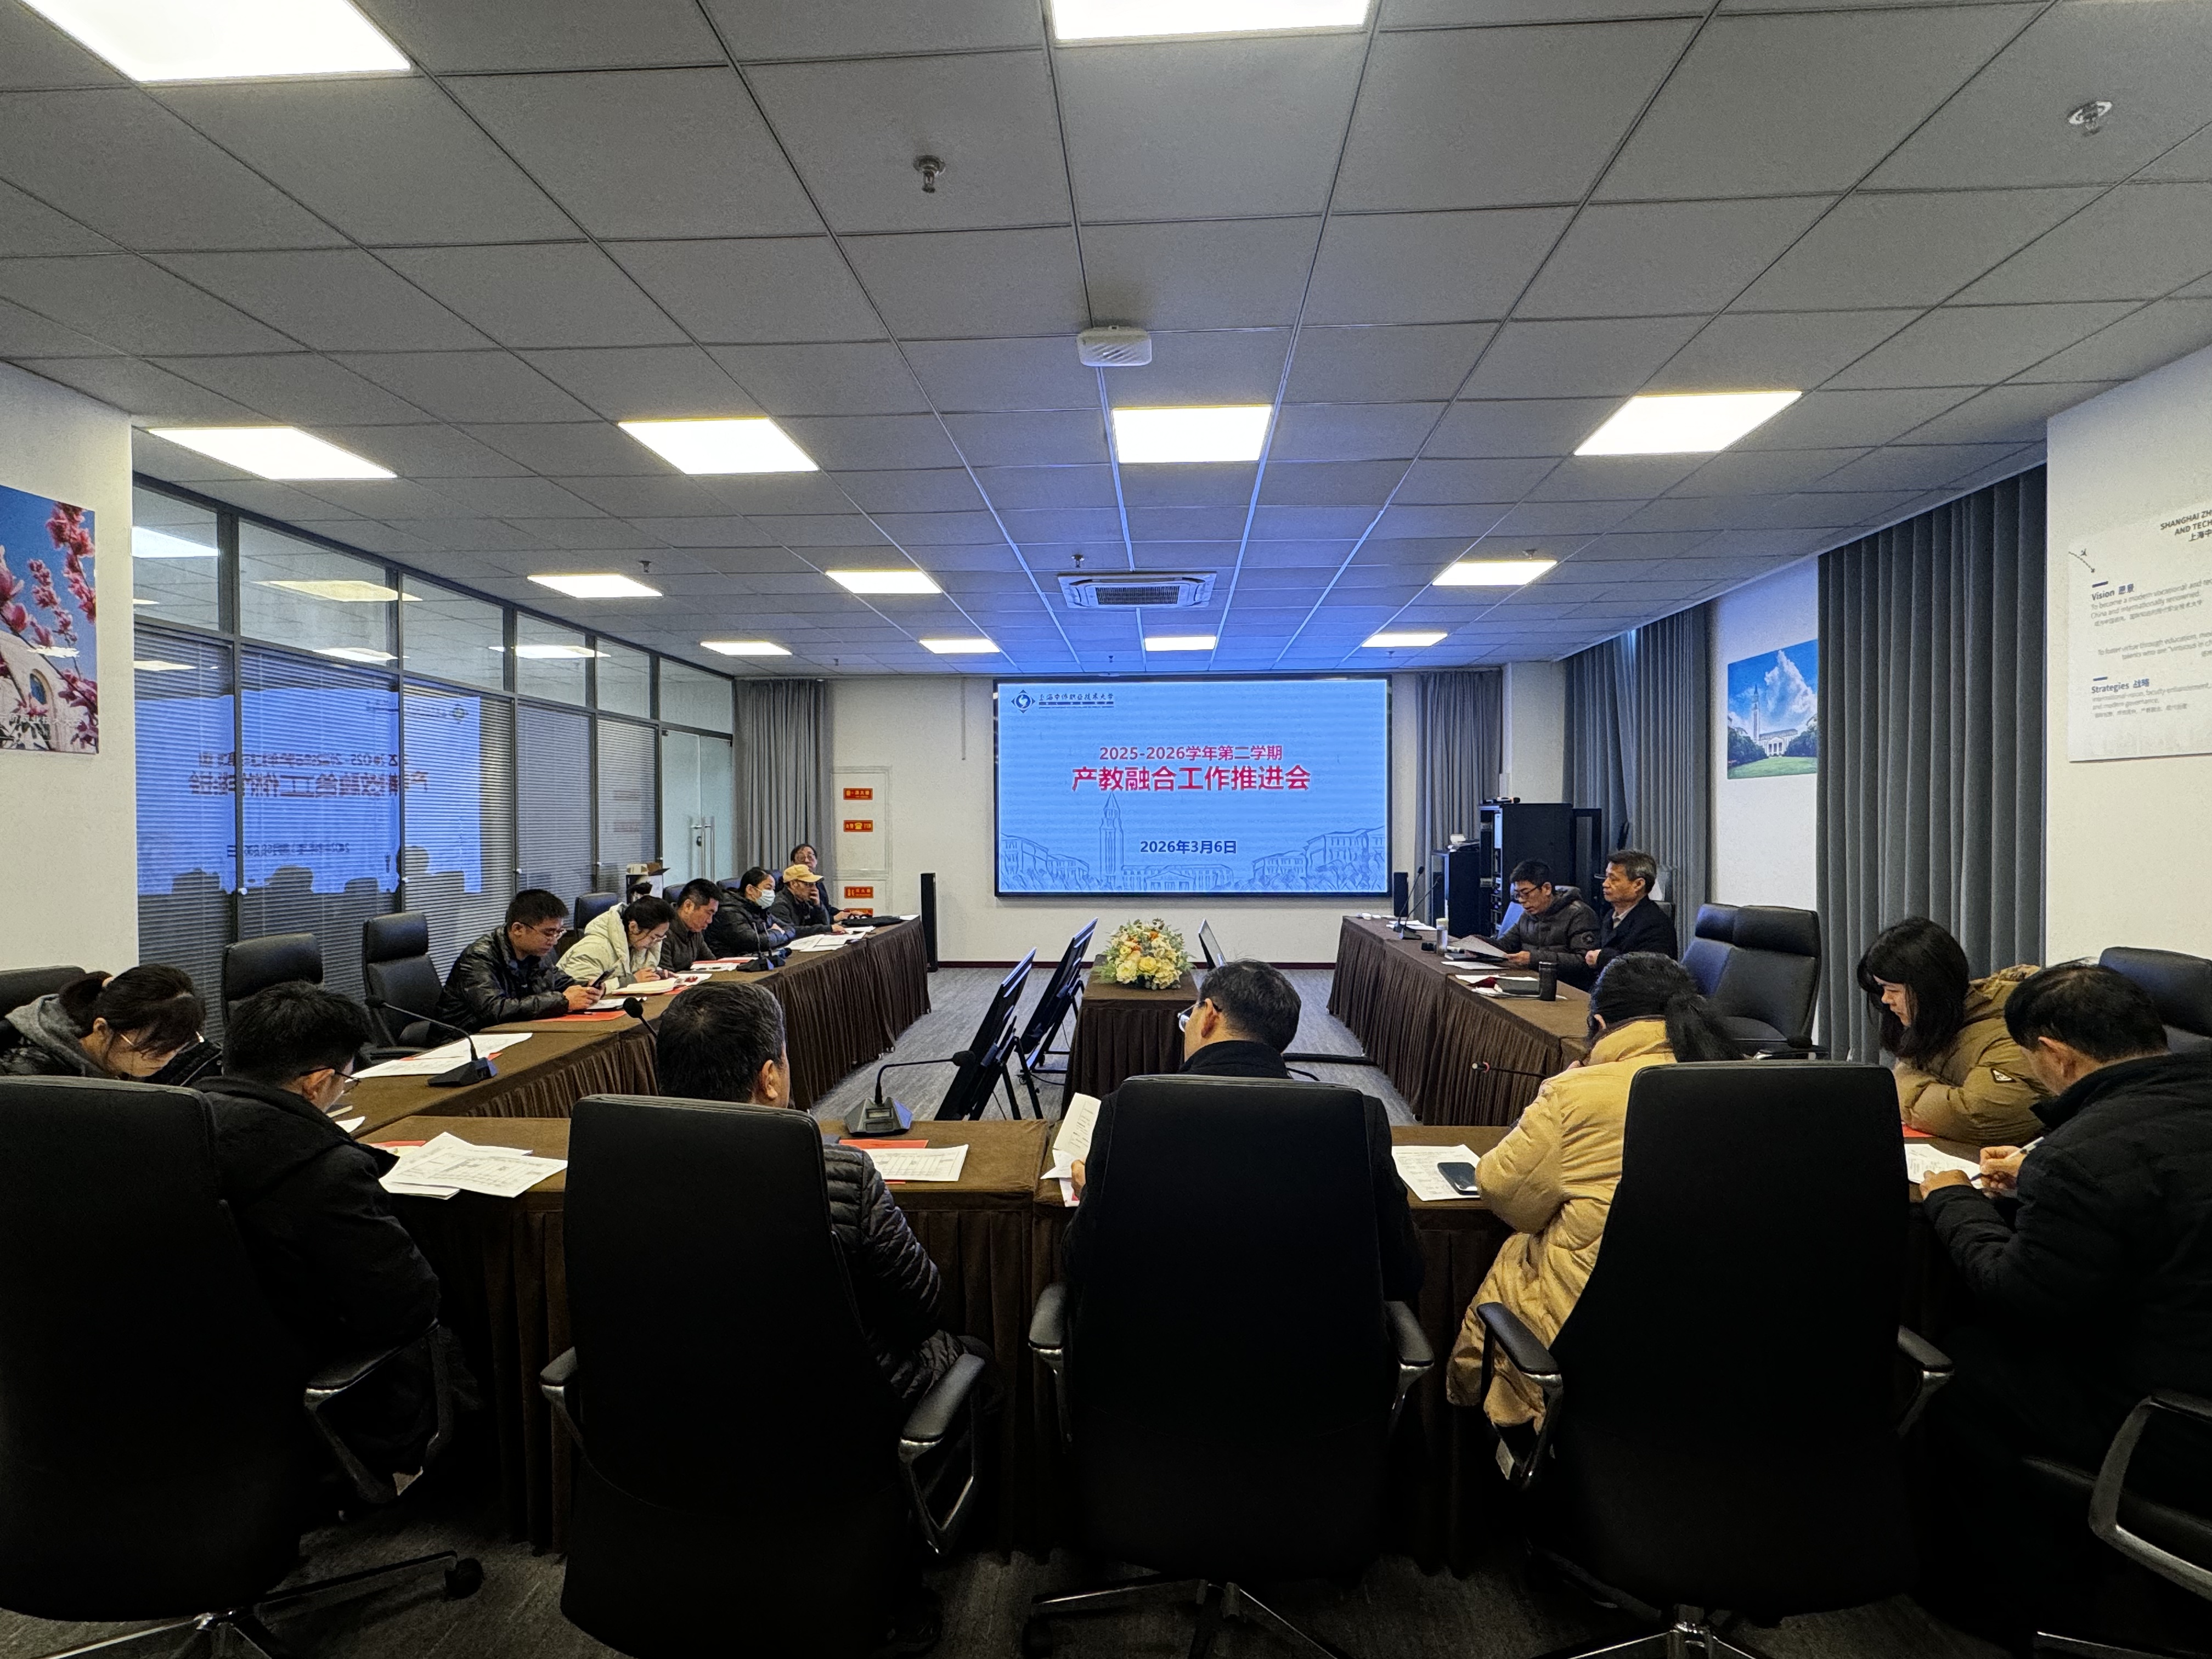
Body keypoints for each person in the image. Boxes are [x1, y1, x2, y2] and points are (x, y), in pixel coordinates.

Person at [1914, 964, 2212, 1643]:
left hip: (2177, 1427)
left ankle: (2004, 1603)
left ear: (2055, 1055)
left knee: (1961, 1368)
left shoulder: (2081, 1154)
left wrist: (1951, 1198)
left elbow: (2019, 1297)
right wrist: (2039, 1181)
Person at [1447, 953, 1741, 1427]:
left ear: (1599, 1025)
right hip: (1724, 1348)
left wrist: (1555, 1093)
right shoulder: (1746, 1082)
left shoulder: (1577, 1093)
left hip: (1590, 1353)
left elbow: (1504, 1193)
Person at [655, 981, 978, 1408]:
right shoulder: (844, 1175)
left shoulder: (619, 1166)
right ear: (769, 1079)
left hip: (670, 1406)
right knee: (977, 1361)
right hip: (832, 1410)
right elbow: (922, 1312)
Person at [197, 983, 447, 1480]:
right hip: (317, 1392)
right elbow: (405, 1307)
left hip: (187, 1376)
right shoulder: (324, 1170)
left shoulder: (169, 1127)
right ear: (316, 1083)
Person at [1066, 958, 1422, 1304]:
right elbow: (1402, 1273)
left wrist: (1093, 1191)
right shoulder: (1358, 1119)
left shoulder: (1129, 1108)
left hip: (1150, 1340)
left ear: (1209, 1016)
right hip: (1319, 1343)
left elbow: (1081, 1264)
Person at [1856, 915, 2045, 1145]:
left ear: (1928, 987)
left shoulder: (2008, 1033)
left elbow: (1980, 1116)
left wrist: (1896, 1085)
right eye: (1882, 989)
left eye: (1893, 990)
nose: (1886, 1000)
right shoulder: (1941, 1021)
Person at [0, 964, 205, 1079]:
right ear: (102, 1029)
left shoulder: (165, 1046)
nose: (165, 1058)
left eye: (177, 1046)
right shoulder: (31, 1074)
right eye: (152, 1048)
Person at [437, 888, 598, 1032]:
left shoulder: (537, 952)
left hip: (511, 1033)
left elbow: (562, 983)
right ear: (518, 929)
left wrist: (588, 989)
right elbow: (495, 1010)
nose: (554, 941)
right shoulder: (478, 958)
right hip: (462, 1040)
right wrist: (562, 1001)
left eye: (558, 932)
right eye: (548, 933)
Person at [1576, 848, 1677, 985]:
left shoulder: (1656, 924)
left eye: (1613, 879)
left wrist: (1602, 958)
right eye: (1607, 877)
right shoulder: (1610, 916)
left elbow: (1649, 973)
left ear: (1638, 885)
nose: (1605, 884)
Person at [1493, 860, 1599, 972]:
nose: (1521, 900)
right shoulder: (1527, 916)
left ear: (1547, 889)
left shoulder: (1579, 914)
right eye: (1518, 895)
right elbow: (1504, 944)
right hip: (1532, 978)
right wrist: (1480, 944)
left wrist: (1533, 959)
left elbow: (1584, 961)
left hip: (1564, 981)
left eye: (1526, 893)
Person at [558, 894, 675, 990]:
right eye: (653, 937)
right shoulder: (592, 948)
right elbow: (584, 990)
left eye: (660, 939)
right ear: (633, 927)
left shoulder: (635, 945)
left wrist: (656, 975)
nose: (654, 944)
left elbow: (635, 972)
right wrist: (632, 981)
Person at [707, 866, 795, 958]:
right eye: (768, 888)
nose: (772, 894)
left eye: (773, 889)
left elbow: (790, 929)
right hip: (732, 962)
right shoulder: (729, 910)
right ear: (750, 889)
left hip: (753, 958)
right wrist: (777, 932)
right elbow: (753, 942)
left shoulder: (759, 908)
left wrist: (771, 936)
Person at [661, 879, 721, 972]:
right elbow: (667, 977)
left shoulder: (694, 929)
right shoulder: (662, 931)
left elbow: (712, 964)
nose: (710, 921)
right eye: (709, 913)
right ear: (688, 906)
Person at [772, 864, 847, 939]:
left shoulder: (806, 900)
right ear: (793, 884)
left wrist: (818, 906)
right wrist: (827, 929)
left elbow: (825, 924)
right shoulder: (780, 905)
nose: (814, 889)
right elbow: (790, 931)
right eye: (808, 884)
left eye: (815, 884)